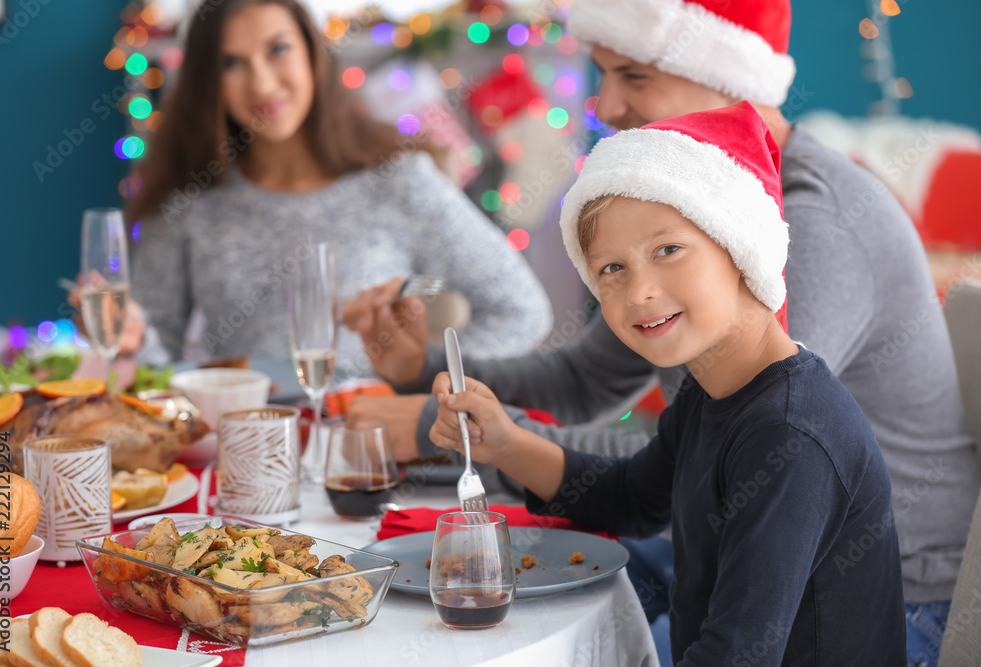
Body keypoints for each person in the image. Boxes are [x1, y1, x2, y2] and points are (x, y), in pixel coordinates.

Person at [343, 1, 978, 663]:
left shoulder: (788, 406)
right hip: (737, 568)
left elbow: (738, 635)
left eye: (635, 75)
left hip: (887, 603)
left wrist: (424, 428)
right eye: (609, 270)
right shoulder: (703, 339)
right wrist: (483, 422)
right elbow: (630, 477)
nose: (608, 105)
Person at [429, 102, 906, 664]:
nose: (639, 292)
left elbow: (736, 655)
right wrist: (506, 444)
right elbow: (632, 500)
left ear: (739, 244)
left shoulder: (788, 433)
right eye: (611, 269)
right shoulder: (712, 390)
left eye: (668, 250)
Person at [115, 0, 552, 380]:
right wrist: (128, 340)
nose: (262, 83)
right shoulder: (190, 201)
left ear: (313, 54)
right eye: (232, 63)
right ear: (208, 81)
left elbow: (522, 312)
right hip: (242, 448)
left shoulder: (400, 182)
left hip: (372, 454)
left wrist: (418, 383)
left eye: (278, 49)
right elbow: (158, 370)